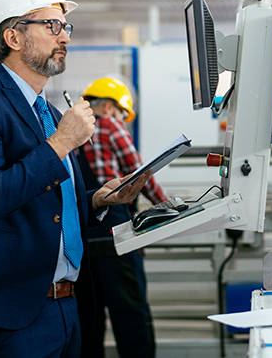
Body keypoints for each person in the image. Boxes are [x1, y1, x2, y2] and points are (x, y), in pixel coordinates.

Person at [0, 0, 151, 358]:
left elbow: (47, 208)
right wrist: (62, 142)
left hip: (64, 305)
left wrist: (97, 200)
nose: (64, 36)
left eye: (65, 26)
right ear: (13, 37)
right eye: (51, 25)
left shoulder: (46, 111)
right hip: (9, 314)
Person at [74, 77, 168, 358]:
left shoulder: (65, 130)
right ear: (107, 105)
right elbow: (139, 175)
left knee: (88, 326)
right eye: (119, 113)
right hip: (116, 241)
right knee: (131, 320)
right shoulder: (108, 125)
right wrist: (166, 206)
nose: (120, 120)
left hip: (80, 241)